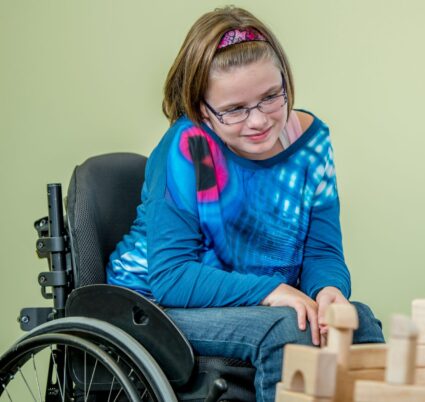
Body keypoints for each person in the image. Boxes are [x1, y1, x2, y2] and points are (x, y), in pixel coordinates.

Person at [106, 6, 384, 400]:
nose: (258, 121)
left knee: (358, 322)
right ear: (203, 109)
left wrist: (328, 291)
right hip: (152, 307)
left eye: (271, 97)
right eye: (235, 109)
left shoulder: (311, 143)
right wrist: (273, 291)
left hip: (250, 300)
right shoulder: (191, 148)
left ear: (285, 82)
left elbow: (322, 251)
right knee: (287, 330)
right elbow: (172, 278)